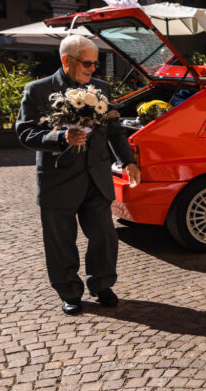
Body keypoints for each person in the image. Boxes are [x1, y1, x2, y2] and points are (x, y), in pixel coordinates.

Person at [15, 35, 140, 316]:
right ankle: (69, 291)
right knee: (60, 242)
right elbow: (24, 132)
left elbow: (115, 130)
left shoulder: (101, 88)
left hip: (96, 176)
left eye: (95, 63)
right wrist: (60, 137)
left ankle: (102, 285)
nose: (92, 69)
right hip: (58, 179)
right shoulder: (38, 90)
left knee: (104, 238)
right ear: (66, 61)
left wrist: (128, 162)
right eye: (87, 63)